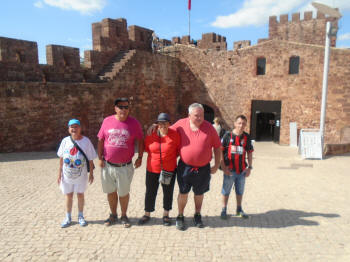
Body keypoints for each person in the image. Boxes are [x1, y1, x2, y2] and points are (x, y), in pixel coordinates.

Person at [148, 103, 221, 230]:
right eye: (196, 115)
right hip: (185, 167)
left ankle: (197, 214)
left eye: (202, 115)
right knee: (183, 192)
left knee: (199, 193)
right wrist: (156, 125)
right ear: (189, 115)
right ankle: (180, 216)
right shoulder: (181, 124)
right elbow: (167, 128)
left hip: (203, 168)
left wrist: (216, 165)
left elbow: (217, 147)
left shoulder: (209, 127)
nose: (200, 118)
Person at [97, 97, 144, 228]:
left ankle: (124, 215)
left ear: (129, 109)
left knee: (123, 193)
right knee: (110, 192)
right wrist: (100, 158)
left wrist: (140, 157)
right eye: (120, 107)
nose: (123, 109)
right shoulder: (107, 121)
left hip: (125, 166)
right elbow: (100, 140)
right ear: (115, 108)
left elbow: (141, 140)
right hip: (108, 165)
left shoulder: (134, 123)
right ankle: (113, 214)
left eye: (126, 107)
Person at [138, 113, 180, 226]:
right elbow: (147, 148)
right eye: (160, 123)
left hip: (169, 169)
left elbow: (177, 150)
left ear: (169, 124)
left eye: (165, 123)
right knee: (150, 192)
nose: (163, 125)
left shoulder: (175, 135)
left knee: (168, 192)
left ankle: (166, 215)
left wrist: (168, 160)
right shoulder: (151, 134)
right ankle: (147, 213)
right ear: (157, 124)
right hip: (152, 168)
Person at [57, 119, 97, 228]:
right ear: (69, 129)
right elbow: (61, 158)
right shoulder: (65, 141)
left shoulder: (86, 141)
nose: (74, 129)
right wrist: (59, 173)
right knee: (68, 195)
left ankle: (80, 216)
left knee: (80, 194)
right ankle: (68, 216)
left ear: (80, 128)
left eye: (76, 127)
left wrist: (91, 174)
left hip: (81, 175)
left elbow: (90, 159)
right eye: (72, 127)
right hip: (67, 174)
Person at [220, 115, 254, 220]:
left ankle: (239, 209)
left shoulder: (247, 137)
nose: (241, 125)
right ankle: (224, 209)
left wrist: (250, 167)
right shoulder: (227, 136)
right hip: (229, 170)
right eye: (239, 123)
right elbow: (220, 151)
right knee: (226, 190)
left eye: (243, 123)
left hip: (242, 170)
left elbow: (249, 152)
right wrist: (223, 167)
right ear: (235, 123)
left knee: (240, 191)